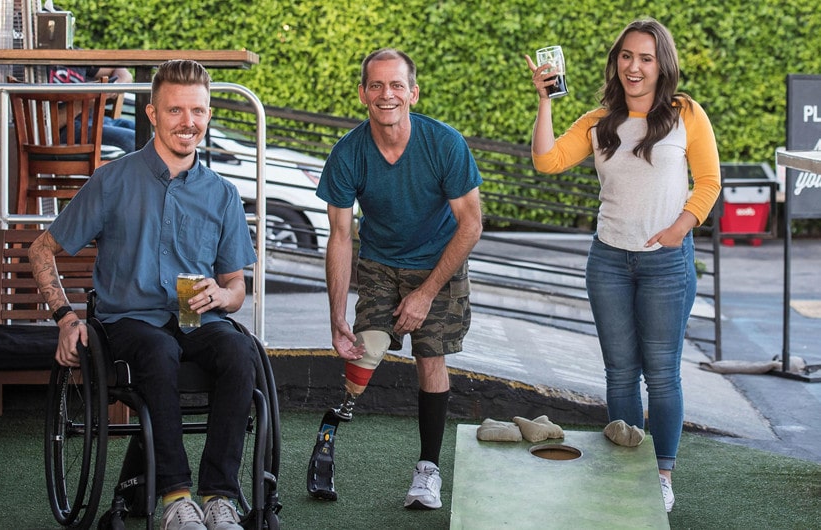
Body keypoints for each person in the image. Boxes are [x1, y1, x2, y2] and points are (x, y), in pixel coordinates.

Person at [29, 59, 256, 530]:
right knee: (157, 347)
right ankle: (175, 497)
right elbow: (41, 249)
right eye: (175, 111)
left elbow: (238, 287)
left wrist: (224, 294)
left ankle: (219, 498)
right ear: (152, 114)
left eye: (197, 111)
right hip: (129, 322)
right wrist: (66, 319)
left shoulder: (223, 194)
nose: (187, 123)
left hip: (197, 318)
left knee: (238, 349)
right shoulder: (113, 180)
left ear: (209, 115)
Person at [525, 19, 721, 513]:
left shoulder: (686, 114)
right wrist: (545, 101)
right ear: (616, 62)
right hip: (608, 261)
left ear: (662, 66)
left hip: (666, 264)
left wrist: (681, 227)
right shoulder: (596, 121)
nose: (635, 66)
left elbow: (709, 183)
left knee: (662, 375)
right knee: (619, 374)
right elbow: (546, 161)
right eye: (627, 56)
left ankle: (661, 474)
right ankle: (626, 467)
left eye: (646, 58)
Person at [307, 48, 483, 510]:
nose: (388, 94)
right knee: (368, 343)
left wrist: (426, 294)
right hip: (381, 259)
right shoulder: (348, 153)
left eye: (397, 85)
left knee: (431, 356)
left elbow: (471, 225)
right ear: (363, 93)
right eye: (377, 86)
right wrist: (335, 315)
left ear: (413, 92)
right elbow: (341, 237)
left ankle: (428, 470)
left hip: (438, 259)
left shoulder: (444, 143)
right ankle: (336, 421)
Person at [47, 64, 137, 154]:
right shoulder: (38, 63)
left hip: (94, 120)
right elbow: (42, 126)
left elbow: (122, 72)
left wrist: (115, 86)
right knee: (133, 141)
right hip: (63, 131)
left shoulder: (75, 55)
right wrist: (82, 103)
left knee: (146, 133)